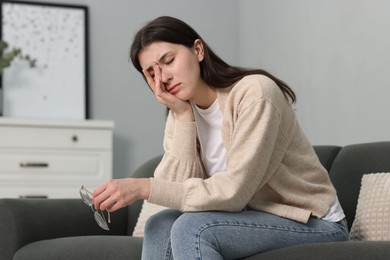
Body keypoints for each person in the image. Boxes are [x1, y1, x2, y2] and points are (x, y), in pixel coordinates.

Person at [92, 16, 349, 259]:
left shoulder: (254, 93)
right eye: (151, 73)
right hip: (252, 218)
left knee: (193, 228)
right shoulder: (180, 114)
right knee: (159, 224)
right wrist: (183, 117)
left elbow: (234, 192)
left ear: (198, 50)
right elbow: (178, 194)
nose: (163, 78)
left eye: (169, 60)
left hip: (314, 222)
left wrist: (142, 187)